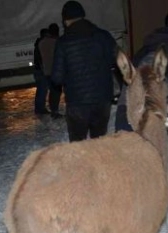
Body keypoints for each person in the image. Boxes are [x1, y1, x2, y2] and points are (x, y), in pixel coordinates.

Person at [115, 3, 168, 132]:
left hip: (131, 107)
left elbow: (166, 79)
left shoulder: (166, 43)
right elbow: (149, 71)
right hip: (136, 112)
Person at [51, 1, 118, 142]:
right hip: (102, 100)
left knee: (78, 145)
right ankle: (99, 163)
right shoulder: (104, 36)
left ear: (65, 20)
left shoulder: (63, 43)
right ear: (82, 16)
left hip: (77, 103)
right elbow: (117, 61)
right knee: (99, 142)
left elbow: (57, 78)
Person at [39, 23, 62, 119]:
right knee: (56, 92)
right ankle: (55, 111)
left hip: (47, 70)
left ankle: (53, 110)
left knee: (52, 91)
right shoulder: (56, 42)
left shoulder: (42, 42)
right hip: (55, 70)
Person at [33, 28, 50, 115]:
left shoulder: (38, 44)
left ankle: (39, 108)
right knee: (42, 90)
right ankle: (40, 109)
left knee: (41, 90)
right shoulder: (41, 45)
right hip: (41, 71)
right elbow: (41, 59)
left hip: (38, 71)